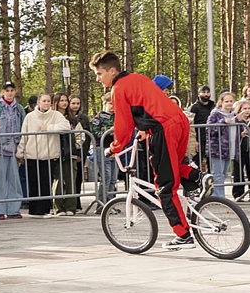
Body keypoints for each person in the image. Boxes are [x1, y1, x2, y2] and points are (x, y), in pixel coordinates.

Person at [90, 51, 213, 250]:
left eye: (99, 73)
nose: (98, 78)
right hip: (179, 122)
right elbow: (153, 107)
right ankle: (200, 177)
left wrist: (114, 148)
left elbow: (123, 124)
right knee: (174, 166)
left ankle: (183, 235)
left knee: (164, 186)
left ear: (112, 71)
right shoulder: (138, 78)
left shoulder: (118, 88)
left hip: (163, 130)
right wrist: (146, 132)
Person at [17, 93, 70, 218]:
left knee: (46, 183)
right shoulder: (30, 117)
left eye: (48, 101)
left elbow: (66, 126)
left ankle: (45, 210)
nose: (46, 103)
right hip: (32, 154)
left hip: (49, 155)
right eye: (44, 101)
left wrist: (49, 128)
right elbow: (24, 134)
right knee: (33, 182)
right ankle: (34, 210)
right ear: (39, 103)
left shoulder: (56, 115)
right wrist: (20, 151)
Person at [0, 81, 26, 220]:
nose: (10, 93)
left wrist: (21, 150)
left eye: (12, 90)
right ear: (3, 92)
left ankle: (13, 209)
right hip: (0, 149)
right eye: (7, 90)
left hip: (14, 149)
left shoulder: (19, 109)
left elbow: (23, 129)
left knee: (14, 180)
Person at [205, 92, 244, 198]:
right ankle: (218, 196)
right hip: (217, 149)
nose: (229, 103)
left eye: (231, 101)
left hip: (230, 148)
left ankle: (219, 195)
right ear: (221, 102)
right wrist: (222, 122)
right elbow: (209, 129)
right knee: (217, 173)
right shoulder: (215, 114)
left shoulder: (234, 114)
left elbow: (238, 131)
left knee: (224, 173)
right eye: (226, 101)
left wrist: (241, 123)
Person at [52, 93, 82, 216]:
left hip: (71, 153)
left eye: (66, 100)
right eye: (61, 100)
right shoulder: (52, 117)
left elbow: (80, 134)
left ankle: (71, 207)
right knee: (57, 181)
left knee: (70, 180)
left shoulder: (73, 119)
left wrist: (77, 146)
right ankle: (58, 207)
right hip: (56, 153)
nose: (64, 103)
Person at [91, 93, 116, 206]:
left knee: (113, 179)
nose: (112, 106)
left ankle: (110, 203)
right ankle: (102, 204)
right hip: (102, 148)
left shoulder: (118, 116)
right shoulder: (98, 117)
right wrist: (109, 132)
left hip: (115, 149)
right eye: (110, 103)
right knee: (106, 177)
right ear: (104, 103)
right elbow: (95, 133)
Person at [232, 100, 250, 200]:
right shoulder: (236, 120)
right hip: (239, 149)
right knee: (238, 171)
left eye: (248, 108)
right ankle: (238, 193)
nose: (247, 111)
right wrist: (240, 134)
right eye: (244, 108)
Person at [68, 95, 91, 211]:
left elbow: (87, 137)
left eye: (77, 103)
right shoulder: (66, 117)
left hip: (80, 153)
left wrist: (82, 154)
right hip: (69, 152)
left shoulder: (84, 118)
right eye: (73, 103)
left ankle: (77, 201)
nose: (75, 106)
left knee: (78, 178)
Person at [189, 85, 216, 170]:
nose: (206, 94)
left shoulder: (213, 106)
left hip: (212, 138)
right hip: (199, 138)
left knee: (212, 162)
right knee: (197, 162)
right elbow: (190, 124)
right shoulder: (194, 107)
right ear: (199, 94)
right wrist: (194, 141)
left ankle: (211, 180)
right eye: (203, 92)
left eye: (208, 92)